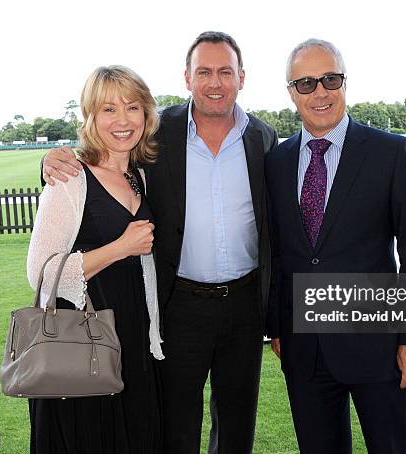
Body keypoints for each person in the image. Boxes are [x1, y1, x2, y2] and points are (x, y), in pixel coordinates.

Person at [41, 32, 277, 454]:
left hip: (244, 306)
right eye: (204, 71)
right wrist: (47, 165)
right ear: (187, 78)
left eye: (225, 71)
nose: (215, 81)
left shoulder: (263, 137)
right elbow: (92, 173)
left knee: (238, 424)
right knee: (175, 427)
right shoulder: (157, 133)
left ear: (242, 77)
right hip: (178, 305)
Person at [265, 39, 406, 454]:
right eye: (306, 83)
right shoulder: (277, 161)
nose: (320, 92)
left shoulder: (390, 151)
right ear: (291, 92)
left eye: (330, 79)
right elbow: (276, 251)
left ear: (345, 83)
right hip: (304, 350)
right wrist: (276, 325)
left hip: (377, 345)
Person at [27, 65, 164, 454]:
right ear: (90, 117)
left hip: (134, 340)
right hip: (81, 345)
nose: (122, 120)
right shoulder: (70, 178)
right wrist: (119, 247)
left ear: (146, 114)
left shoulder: (141, 175)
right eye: (108, 110)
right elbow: (39, 271)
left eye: (132, 107)